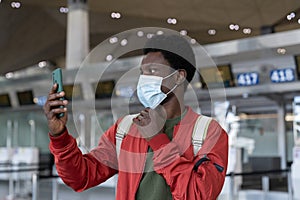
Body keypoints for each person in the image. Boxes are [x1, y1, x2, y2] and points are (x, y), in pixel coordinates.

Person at [43, 34, 228, 200]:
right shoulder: (125, 128)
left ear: (179, 77)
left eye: (153, 71)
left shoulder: (209, 133)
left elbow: (198, 195)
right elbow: (80, 177)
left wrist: (157, 139)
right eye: (142, 72)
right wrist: (59, 137)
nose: (144, 79)